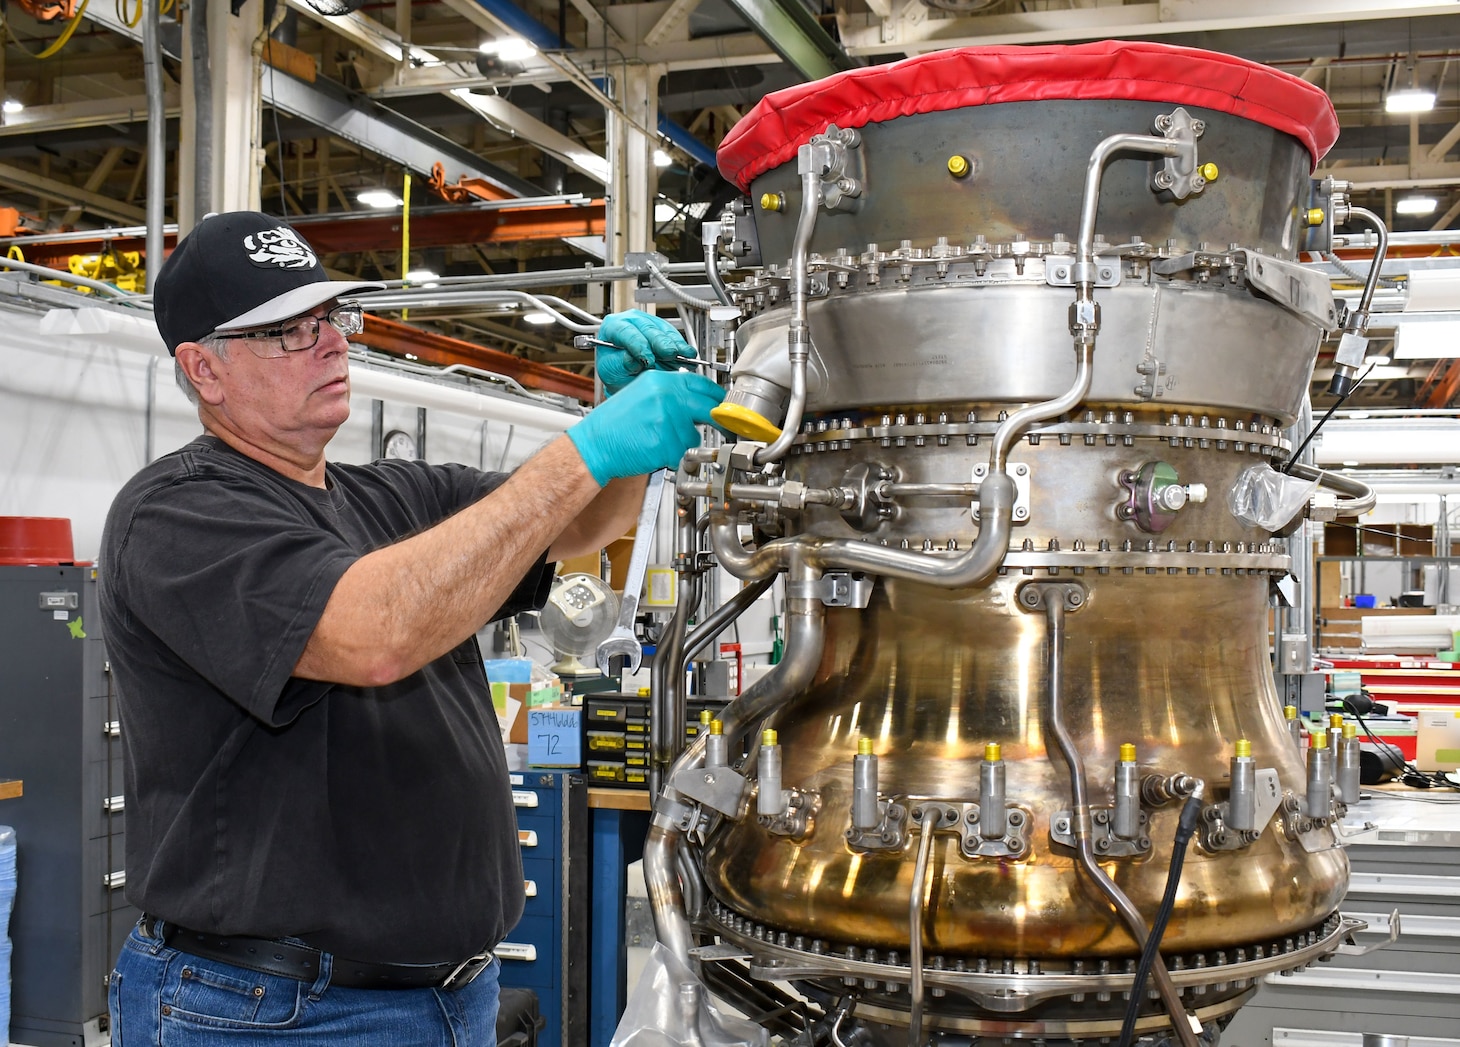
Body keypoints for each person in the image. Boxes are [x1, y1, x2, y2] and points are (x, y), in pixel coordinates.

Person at [99, 210, 722, 1046]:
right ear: (204, 368)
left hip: (448, 995)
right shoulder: (176, 512)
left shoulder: (391, 495)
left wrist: (624, 431)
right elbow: (374, 633)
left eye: (331, 319)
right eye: (290, 331)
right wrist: (586, 448)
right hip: (273, 1012)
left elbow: (572, 530)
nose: (331, 344)